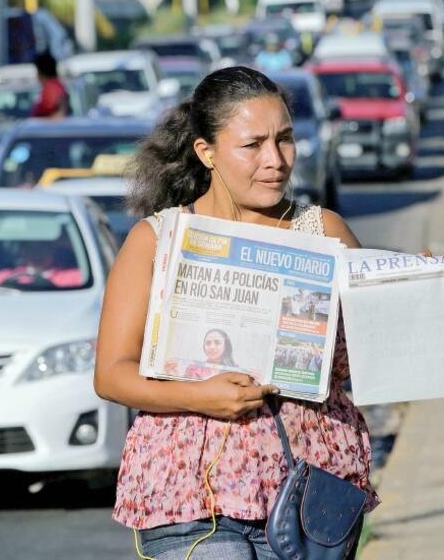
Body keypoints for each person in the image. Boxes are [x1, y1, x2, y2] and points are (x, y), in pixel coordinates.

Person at [95, 66, 381, 559]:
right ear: (206, 153)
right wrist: (200, 396)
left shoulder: (324, 233)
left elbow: (372, 357)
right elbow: (112, 374)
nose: (275, 160)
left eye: (285, 140)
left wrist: (405, 290)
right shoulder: (156, 241)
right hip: (190, 497)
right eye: (253, 145)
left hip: (306, 494)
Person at [0, 239, 82, 288]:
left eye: (42, 249)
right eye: (32, 249)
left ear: (53, 250)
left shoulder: (75, 277)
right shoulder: (4, 276)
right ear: (24, 252)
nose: (37, 254)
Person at [167, 328, 239, 380]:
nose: (212, 347)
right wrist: (174, 376)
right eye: (208, 343)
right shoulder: (193, 369)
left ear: (226, 346)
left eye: (217, 342)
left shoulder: (236, 371)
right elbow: (184, 392)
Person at [29, 51, 68, 119]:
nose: (36, 76)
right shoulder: (54, 85)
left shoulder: (52, 87)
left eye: (37, 71)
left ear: (42, 72)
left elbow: (60, 112)